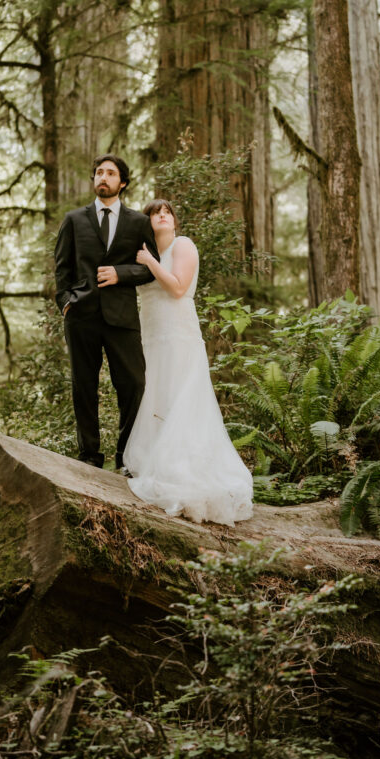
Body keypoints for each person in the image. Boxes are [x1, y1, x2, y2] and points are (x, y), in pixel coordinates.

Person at [123, 200, 253, 527]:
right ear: (148, 222)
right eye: (155, 212)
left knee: (181, 398)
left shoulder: (182, 246)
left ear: (175, 221)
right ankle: (155, 461)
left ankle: (186, 468)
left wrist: (151, 262)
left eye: (167, 211)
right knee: (155, 396)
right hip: (151, 334)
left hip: (178, 334)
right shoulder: (143, 251)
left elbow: (179, 287)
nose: (162, 215)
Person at [54, 154, 159, 469]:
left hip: (122, 316)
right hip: (81, 315)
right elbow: (62, 267)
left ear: (122, 183)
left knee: (133, 383)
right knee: (83, 384)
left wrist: (120, 274)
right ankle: (89, 455)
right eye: (99, 172)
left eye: (111, 173)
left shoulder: (139, 222)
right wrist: (66, 303)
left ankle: (126, 456)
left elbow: (151, 268)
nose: (104, 177)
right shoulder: (74, 220)